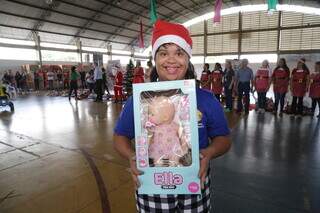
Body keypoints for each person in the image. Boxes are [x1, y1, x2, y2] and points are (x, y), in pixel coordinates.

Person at [113, 20, 231, 212]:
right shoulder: (140, 100)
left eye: (179, 53)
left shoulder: (206, 99)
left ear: (188, 58)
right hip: (152, 184)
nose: (171, 60)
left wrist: (208, 153)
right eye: (164, 53)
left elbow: (224, 139)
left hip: (194, 182)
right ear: (155, 59)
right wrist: (133, 156)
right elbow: (120, 136)